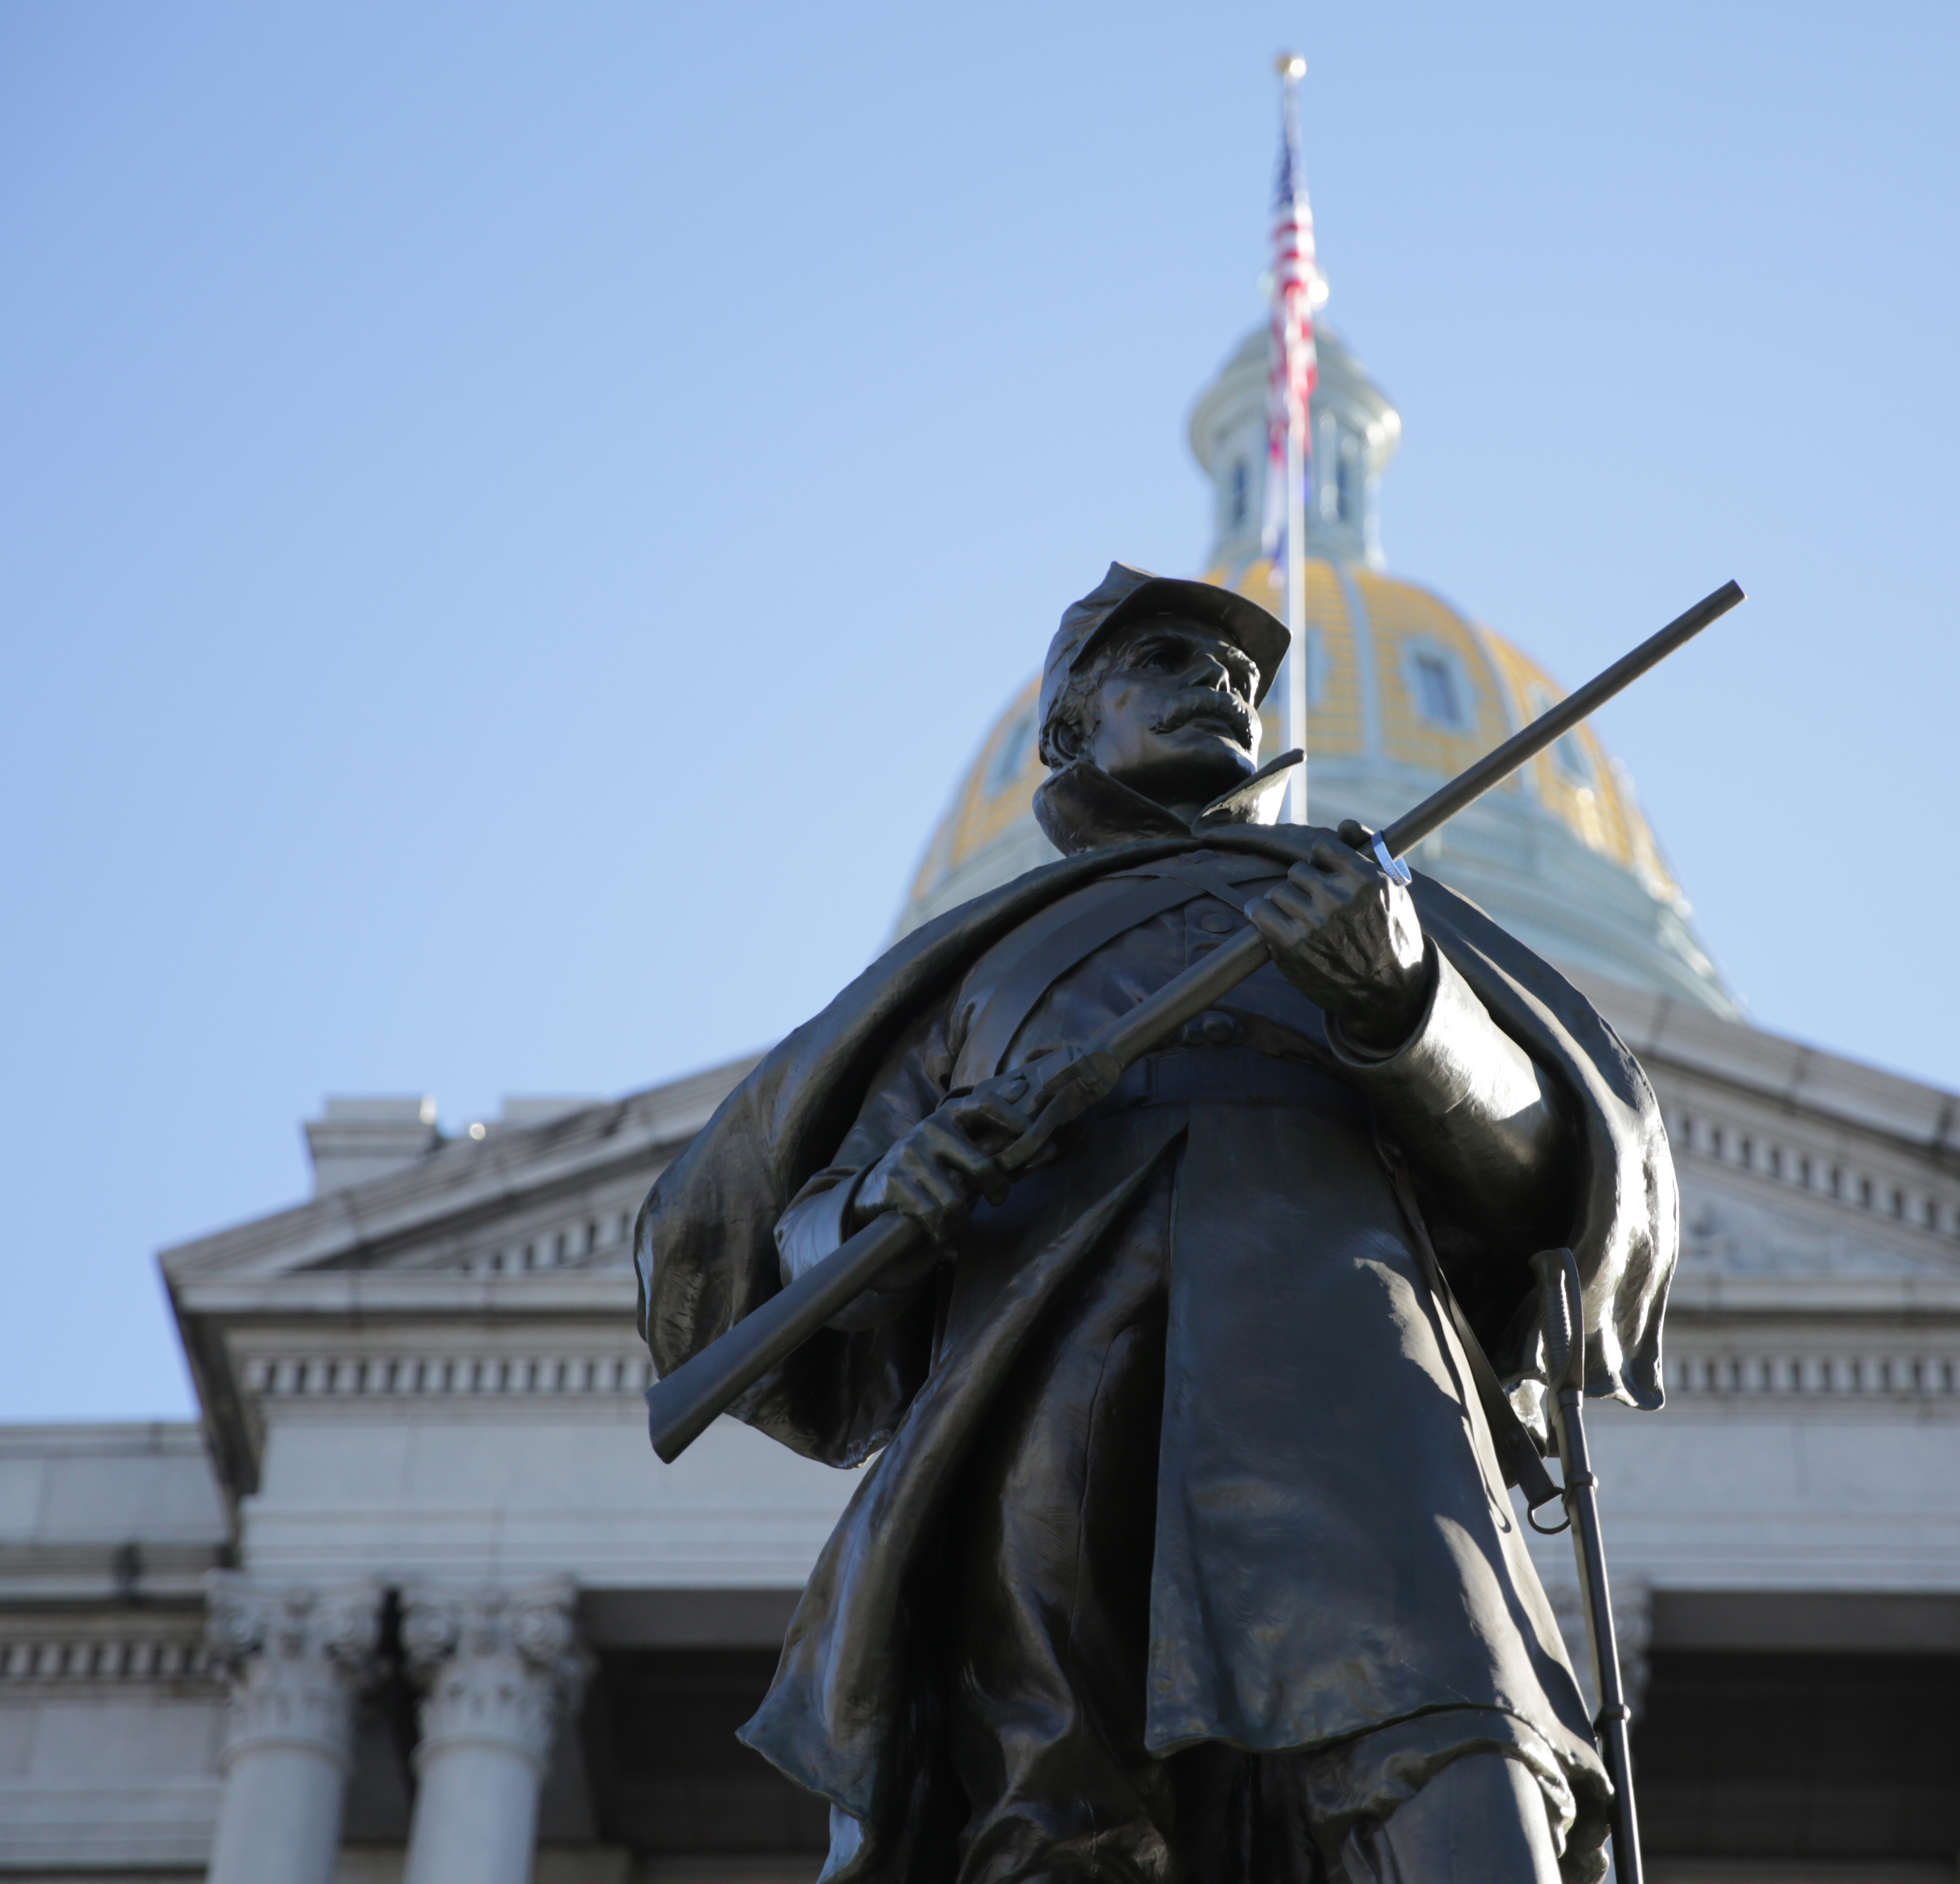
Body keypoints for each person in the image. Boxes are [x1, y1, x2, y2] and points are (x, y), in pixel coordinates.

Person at [636, 563, 1679, 1884]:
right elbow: (796, 1222)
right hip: (1052, 1396)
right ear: (1070, 727)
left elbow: (1554, 1192)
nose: (1223, 689)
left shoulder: (1359, 900)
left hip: (1352, 1380)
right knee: (1049, 1819)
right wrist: (889, 1194)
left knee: (1463, 1738)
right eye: (1172, 663)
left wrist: (1406, 1009)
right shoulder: (986, 963)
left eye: (1241, 676)